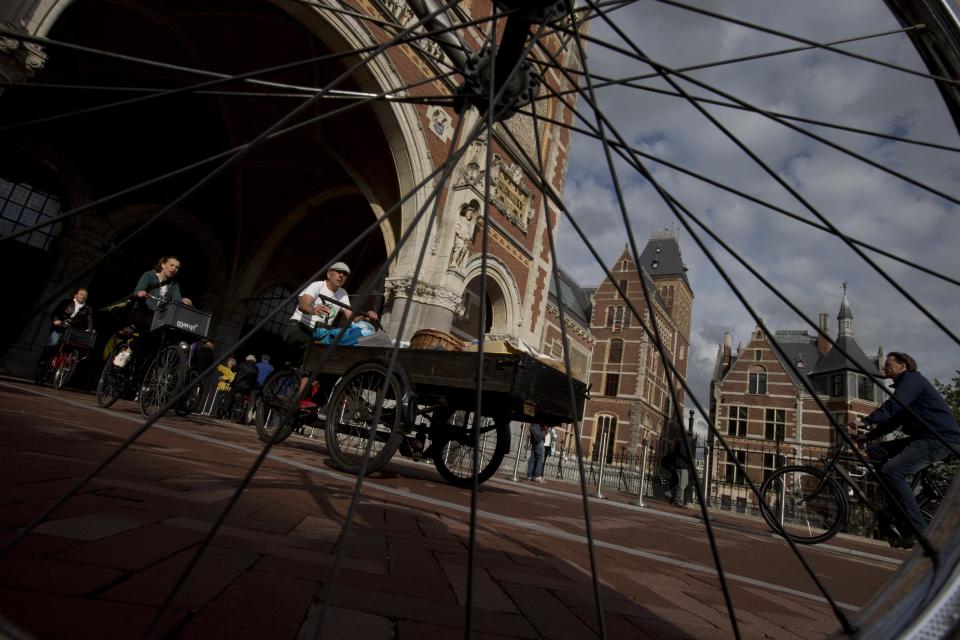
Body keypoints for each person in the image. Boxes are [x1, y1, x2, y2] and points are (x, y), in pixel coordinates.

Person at [848, 351, 960, 547]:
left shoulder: (912, 380)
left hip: (939, 439)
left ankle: (918, 530)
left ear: (903, 365)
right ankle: (895, 506)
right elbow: (894, 420)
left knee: (892, 471)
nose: (884, 368)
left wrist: (865, 420)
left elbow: (893, 407)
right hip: (925, 438)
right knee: (876, 452)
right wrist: (868, 436)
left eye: (888, 365)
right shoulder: (906, 386)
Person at [285, 261, 378, 407]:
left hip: (319, 333)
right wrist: (312, 309)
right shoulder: (317, 286)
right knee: (310, 357)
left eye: (345, 274)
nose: (342, 276)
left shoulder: (342, 294)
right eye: (338, 272)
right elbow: (303, 302)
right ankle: (298, 399)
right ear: (329, 274)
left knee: (331, 364)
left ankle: (316, 402)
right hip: (299, 327)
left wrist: (366, 316)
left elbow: (352, 317)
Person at [39, 287, 94, 364]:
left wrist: (89, 329)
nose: (83, 296)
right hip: (61, 326)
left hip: (74, 330)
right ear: (75, 295)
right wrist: (56, 320)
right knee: (53, 342)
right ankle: (44, 359)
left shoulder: (88, 308)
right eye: (81, 294)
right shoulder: (66, 302)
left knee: (78, 344)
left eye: (85, 295)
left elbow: (89, 319)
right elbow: (56, 312)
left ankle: (70, 361)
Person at [662, 424, 692, 507]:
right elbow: (683, 453)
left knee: (682, 483)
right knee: (682, 484)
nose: (691, 438)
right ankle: (678, 500)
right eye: (690, 436)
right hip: (681, 465)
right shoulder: (682, 442)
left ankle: (670, 494)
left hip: (680, 465)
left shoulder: (680, 442)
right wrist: (689, 460)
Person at [223, 355, 258, 423]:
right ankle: (243, 417)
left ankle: (225, 412)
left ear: (247, 360)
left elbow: (233, 369)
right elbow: (255, 379)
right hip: (247, 389)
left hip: (236, 386)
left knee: (229, 397)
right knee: (247, 402)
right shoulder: (255, 369)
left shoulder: (242, 365)